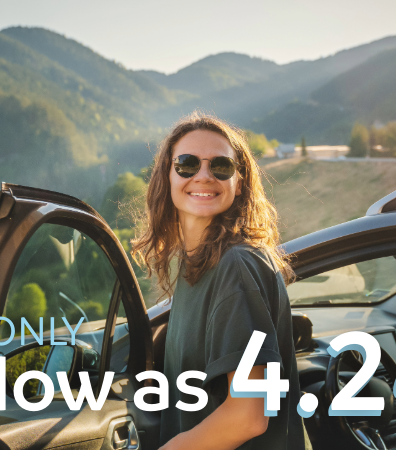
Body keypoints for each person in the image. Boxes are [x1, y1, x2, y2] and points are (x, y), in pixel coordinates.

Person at [132, 112, 307, 450]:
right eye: (186, 164)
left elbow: (249, 414)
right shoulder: (196, 266)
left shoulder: (236, 266)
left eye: (221, 167)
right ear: (166, 176)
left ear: (238, 182)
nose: (204, 176)